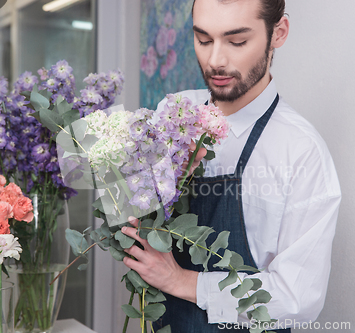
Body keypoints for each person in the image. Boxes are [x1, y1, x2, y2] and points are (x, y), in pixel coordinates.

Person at [121, 0, 341, 332]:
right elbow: (129, 226)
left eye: (237, 41)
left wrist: (183, 282)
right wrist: (158, 186)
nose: (215, 61)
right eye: (203, 39)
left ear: (277, 33)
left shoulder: (300, 152)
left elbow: (298, 298)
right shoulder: (173, 112)